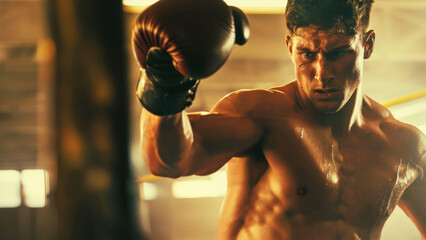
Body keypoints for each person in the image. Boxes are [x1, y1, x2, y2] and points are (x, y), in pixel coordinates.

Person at [133, 0, 426, 239]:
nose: (322, 73)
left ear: (368, 44)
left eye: (338, 53)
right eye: (307, 53)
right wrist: (165, 85)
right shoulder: (261, 115)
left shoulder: (403, 146)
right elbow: (168, 160)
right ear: (289, 47)